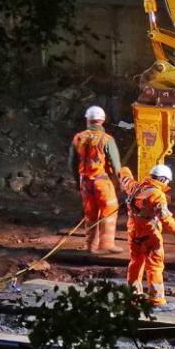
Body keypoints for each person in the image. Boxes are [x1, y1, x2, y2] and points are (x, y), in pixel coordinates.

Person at [120, 163, 175, 310]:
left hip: (134, 234)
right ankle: (156, 301)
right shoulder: (157, 195)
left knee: (135, 264)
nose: (167, 184)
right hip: (150, 236)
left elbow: (125, 179)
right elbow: (164, 216)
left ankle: (133, 298)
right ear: (162, 179)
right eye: (167, 181)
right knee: (154, 266)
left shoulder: (136, 187)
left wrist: (122, 168)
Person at [69, 105, 122, 254]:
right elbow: (116, 165)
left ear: (88, 120)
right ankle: (106, 245)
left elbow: (72, 163)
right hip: (102, 181)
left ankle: (90, 245)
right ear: (102, 120)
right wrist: (118, 184)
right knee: (109, 210)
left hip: (85, 182)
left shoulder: (78, 137)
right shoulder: (107, 139)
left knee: (91, 213)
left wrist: (77, 182)